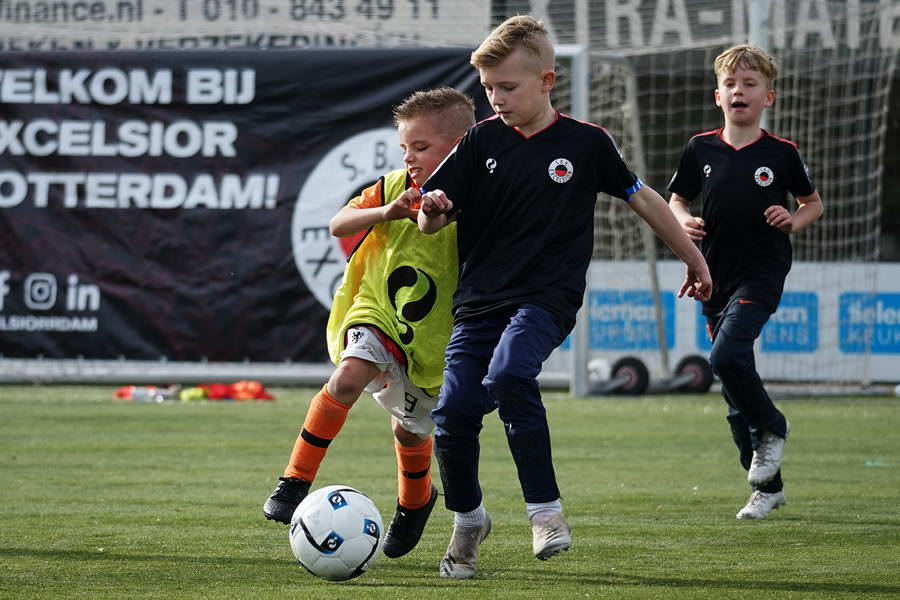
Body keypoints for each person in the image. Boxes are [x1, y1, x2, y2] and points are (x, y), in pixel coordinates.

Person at [417, 16, 712, 579]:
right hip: (478, 302)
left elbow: (643, 199)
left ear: (548, 80)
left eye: (508, 87)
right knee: (452, 414)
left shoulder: (586, 142)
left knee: (509, 375)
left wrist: (694, 259)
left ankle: (545, 512)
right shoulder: (480, 141)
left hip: (546, 298)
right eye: (487, 89)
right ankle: (468, 519)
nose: (495, 99)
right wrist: (431, 212)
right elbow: (436, 217)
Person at [263, 88, 476, 559]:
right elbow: (340, 223)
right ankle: (294, 481)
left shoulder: (482, 197)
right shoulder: (393, 186)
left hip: (438, 337)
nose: (410, 157)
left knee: (411, 431)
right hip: (377, 310)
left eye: (421, 147)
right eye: (405, 148)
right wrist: (386, 211)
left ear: (462, 145)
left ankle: (415, 502)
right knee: (347, 377)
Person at [668, 45, 823, 520]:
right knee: (733, 393)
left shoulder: (781, 153)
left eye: (750, 83)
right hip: (713, 275)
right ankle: (767, 487)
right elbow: (676, 200)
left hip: (762, 271)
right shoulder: (700, 148)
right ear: (719, 96)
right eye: (731, 84)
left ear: (768, 97)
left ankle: (774, 426)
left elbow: (812, 203)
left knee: (726, 356)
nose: (740, 90)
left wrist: (793, 220)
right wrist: (685, 220)